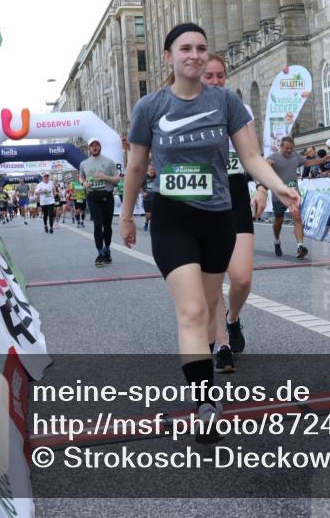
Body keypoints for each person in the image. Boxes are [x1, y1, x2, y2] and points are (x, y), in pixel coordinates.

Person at [119, 22, 298, 441]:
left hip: (218, 219)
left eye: (202, 48)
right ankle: (204, 402)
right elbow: (136, 166)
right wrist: (127, 216)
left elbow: (251, 155)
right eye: (185, 48)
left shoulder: (225, 101)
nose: (195, 55)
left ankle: (209, 372)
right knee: (193, 310)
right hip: (173, 219)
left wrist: (277, 186)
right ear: (169, 57)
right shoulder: (150, 107)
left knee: (210, 305)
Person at [200, 53, 269, 371]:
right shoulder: (185, 110)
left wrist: (262, 186)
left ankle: (233, 318)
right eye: (209, 76)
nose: (215, 81)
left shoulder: (239, 107)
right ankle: (222, 346)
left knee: (241, 277)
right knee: (211, 282)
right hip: (201, 196)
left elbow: (252, 152)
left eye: (220, 76)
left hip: (237, 190)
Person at [264, 137, 330, 258]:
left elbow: (308, 162)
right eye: (287, 148)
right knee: (278, 221)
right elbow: (263, 167)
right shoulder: (273, 157)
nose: (289, 150)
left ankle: (300, 246)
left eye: (291, 148)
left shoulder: (295, 156)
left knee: (297, 217)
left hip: (294, 193)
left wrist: (323, 160)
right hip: (279, 195)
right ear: (281, 146)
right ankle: (277, 241)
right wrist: (268, 164)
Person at [79, 138, 121, 267]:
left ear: (100, 147)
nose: (95, 147)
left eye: (97, 145)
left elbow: (117, 180)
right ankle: (100, 253)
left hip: (107, 196)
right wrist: (83, 183)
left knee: (107, 226)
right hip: (93, 197)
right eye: (92, 145)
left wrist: (106, 177)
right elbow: (81, 176)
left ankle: (107, 249)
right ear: (89, 148)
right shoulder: (84, 163)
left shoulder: (109, 162)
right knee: (97, 224)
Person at [141, 163, 156, 232]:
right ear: (148, 170)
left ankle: (154, 226)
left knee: (155, 213)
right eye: (151, 169)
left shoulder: (157, 176)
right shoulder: (144, 177)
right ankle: (146, 223)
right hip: (147, 199)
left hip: (156, 198)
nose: (153, 171)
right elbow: (139, 186)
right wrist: (143, 193)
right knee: (148, 215)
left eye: (154, 169)